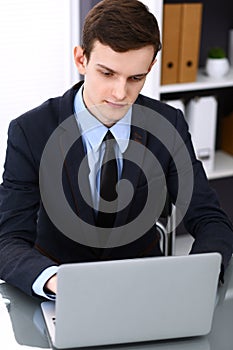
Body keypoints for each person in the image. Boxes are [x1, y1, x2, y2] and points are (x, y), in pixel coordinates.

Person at [0, 0, 233, 299]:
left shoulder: (168, 124)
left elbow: (210, 218)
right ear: (81, 60)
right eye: (107, 73)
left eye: (136, 78)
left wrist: (195, 280)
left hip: (145, 290)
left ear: (149, 68)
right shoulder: (30, 131)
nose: (121, 93)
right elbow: (8, 239)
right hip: (61, 293)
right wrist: (57, 282)